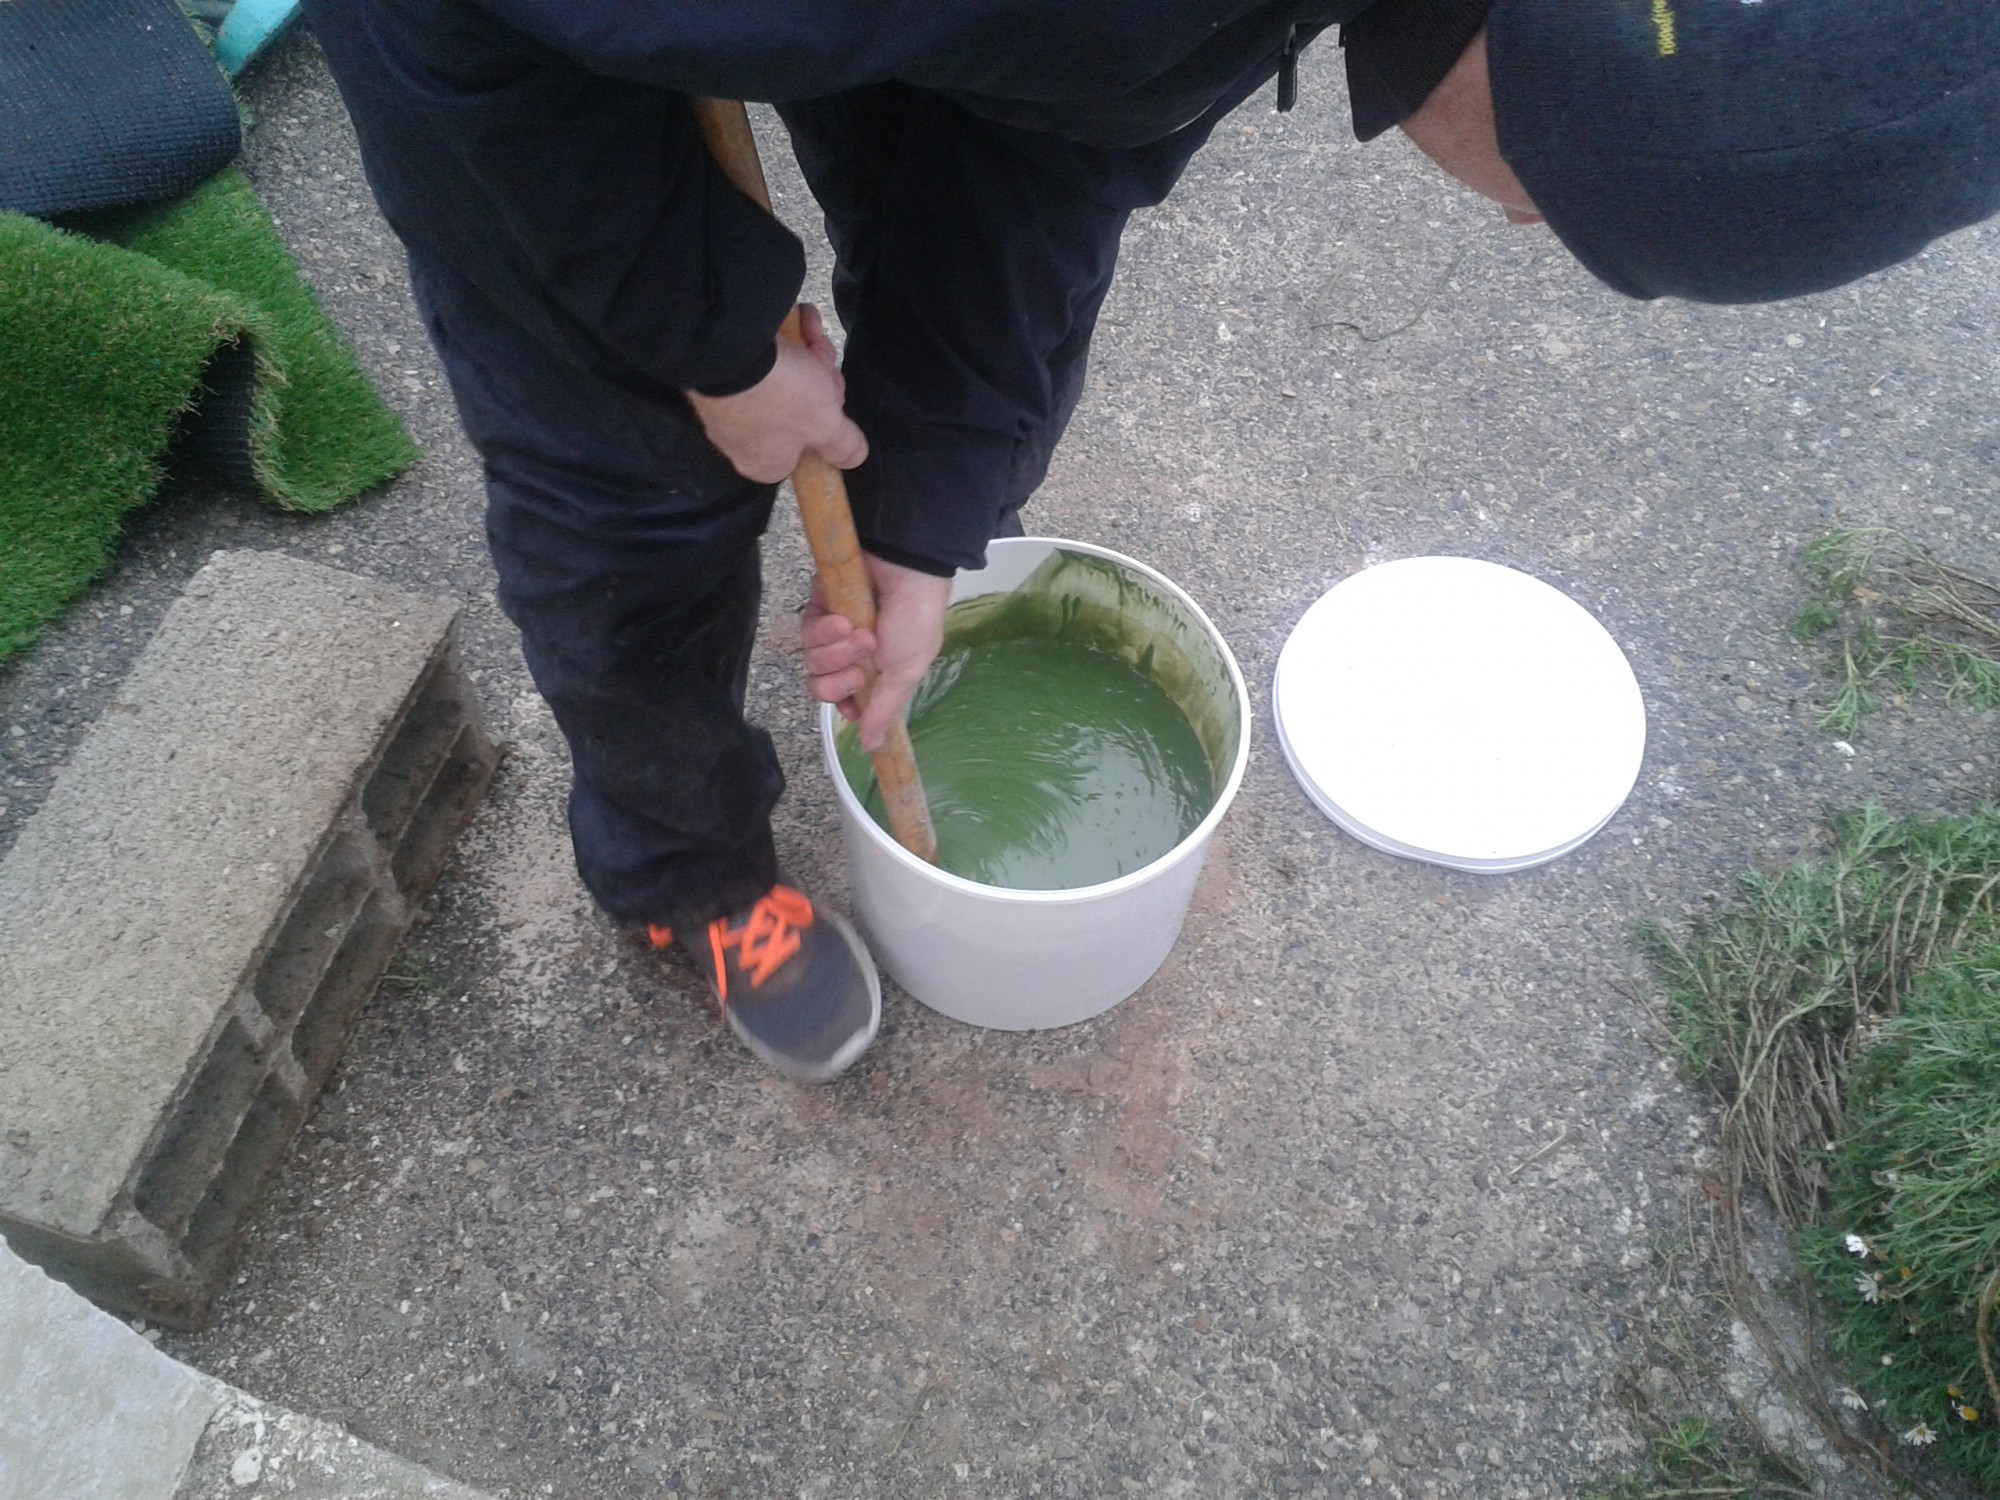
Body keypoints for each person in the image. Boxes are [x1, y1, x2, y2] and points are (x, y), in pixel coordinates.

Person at [302, 0, 2000, 1080]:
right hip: (490, 54)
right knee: (631, 492)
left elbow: (1047, 120)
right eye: (1566, 197)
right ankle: (684, 868)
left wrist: (918, 521)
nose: (1516, 218)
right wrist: (712, 339)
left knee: (962, 429)